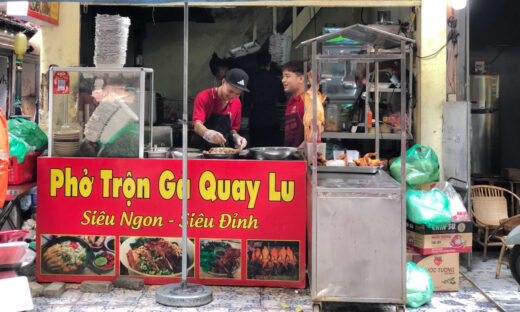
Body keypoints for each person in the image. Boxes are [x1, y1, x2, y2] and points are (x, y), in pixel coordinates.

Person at [191, 68, 249, 150]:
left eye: (238, 94)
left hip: (223, 150)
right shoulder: (204, 97)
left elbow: (232, 129)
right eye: (230, 91)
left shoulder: (237, 103)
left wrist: (236, 136)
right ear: (223, 82)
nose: (232, 96)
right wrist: (208, 133)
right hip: (201, 149)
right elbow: (197, 125)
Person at [245, 51, 286, 147]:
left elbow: (246, 102)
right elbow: (282, 99)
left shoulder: (251, 80)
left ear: (257, 63)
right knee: (271, 148)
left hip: (256, 118)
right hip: (271, 117)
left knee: (256, 148)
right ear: (269, 63)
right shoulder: (275, 79)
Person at [282, 61, 306, 147]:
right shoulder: (291, 101)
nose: (283, 80)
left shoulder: (310, 101)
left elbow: (316, 132)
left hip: (304, 157)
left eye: (287, 76)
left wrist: (298, 152)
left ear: (301, 78)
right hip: (291, 154)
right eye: (283, 76)